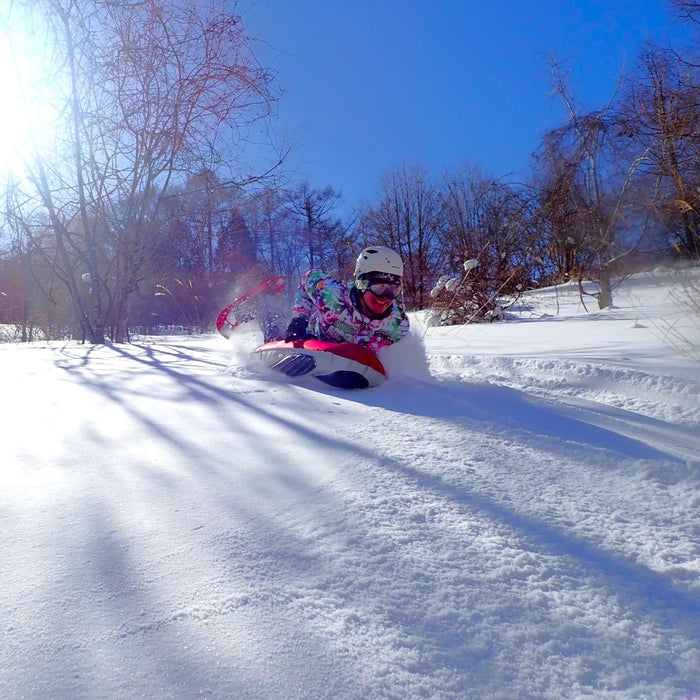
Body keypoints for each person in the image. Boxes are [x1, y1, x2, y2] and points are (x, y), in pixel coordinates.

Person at [284, 245, 410, 353]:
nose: (385, 297)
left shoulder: (398, 324)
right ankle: (270, 306)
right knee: (277, 334)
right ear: (362, 284)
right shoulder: (331, 294)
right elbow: (307, 278)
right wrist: (299, 319)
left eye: (393, 289)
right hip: (313, 338)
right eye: (379, 287)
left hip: (353, 363)